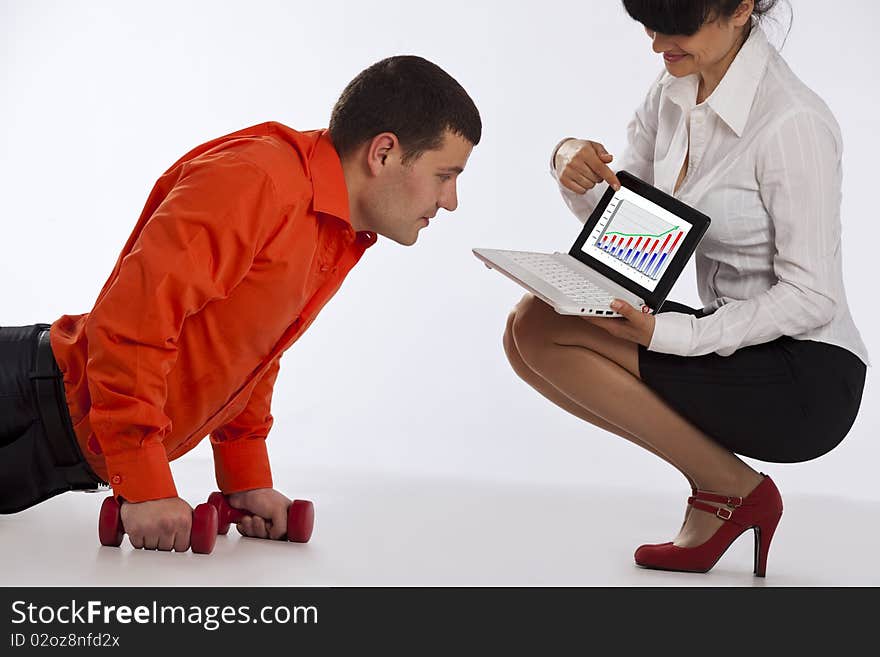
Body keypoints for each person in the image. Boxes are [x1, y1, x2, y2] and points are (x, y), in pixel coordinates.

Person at [0, 55, 480, 552]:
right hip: (23, 396)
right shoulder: (259, 180)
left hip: (62, 454)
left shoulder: (335, 230)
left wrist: (244, 475)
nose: (450, 201)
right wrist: (144, 481)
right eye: (445, 174)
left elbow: (250, 354)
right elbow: (135, 318)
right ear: (383, 153)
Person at [503, 0, 867, 576]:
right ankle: (724, 488)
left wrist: (673, 333)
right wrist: (568, 161)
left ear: (742, 7)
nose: (657, 45)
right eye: (649, 25)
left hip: (806, 374)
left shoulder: (793, 122)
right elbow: (630, 225)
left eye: (677, 27)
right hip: (729, 339)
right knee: (526, 337)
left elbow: (811, 296)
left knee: (540, 327)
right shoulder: (672, 91)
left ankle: (728, 491)